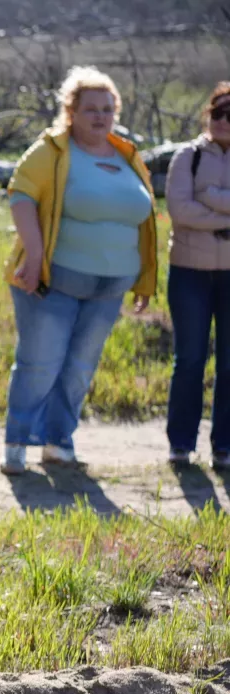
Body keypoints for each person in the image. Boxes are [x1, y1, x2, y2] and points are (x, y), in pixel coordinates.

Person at [0, 65, 157, 475]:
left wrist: (144, 279)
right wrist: (34, 256)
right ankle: (17, 443)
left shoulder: (127, 156)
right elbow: (21, 195)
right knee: (40, 363)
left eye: (107, 109)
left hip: (110, 286)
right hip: (52, 281)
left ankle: (58, 442)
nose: (100, 117)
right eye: (91, 109)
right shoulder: (51, 150)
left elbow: (143, 218)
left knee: (80, 368)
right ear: (71, 111)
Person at [164, 83, 230, 470]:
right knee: (189, 359)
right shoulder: (186, 156)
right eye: (217, 112)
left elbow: (196, 204)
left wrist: (208, 196)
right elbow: (180, 210)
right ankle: (180, 444)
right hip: (189, 273)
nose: (223, 121)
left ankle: (224, 447)